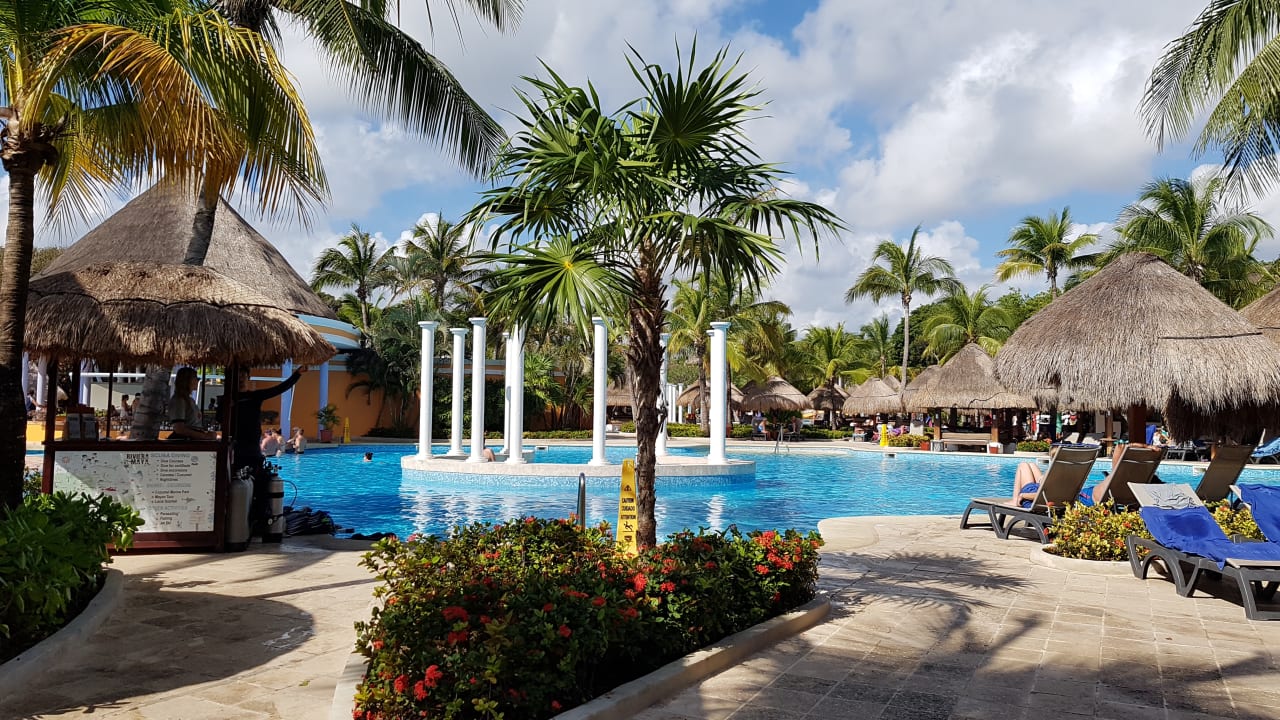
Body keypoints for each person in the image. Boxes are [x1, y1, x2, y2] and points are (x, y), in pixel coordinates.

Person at [168, 367, 217, 440]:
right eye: (195, 378)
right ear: (187, 381)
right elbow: (179, 428)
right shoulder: (179, 400)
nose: (198, 381)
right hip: (184, 442)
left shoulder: (189, 400)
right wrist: (205, 436)